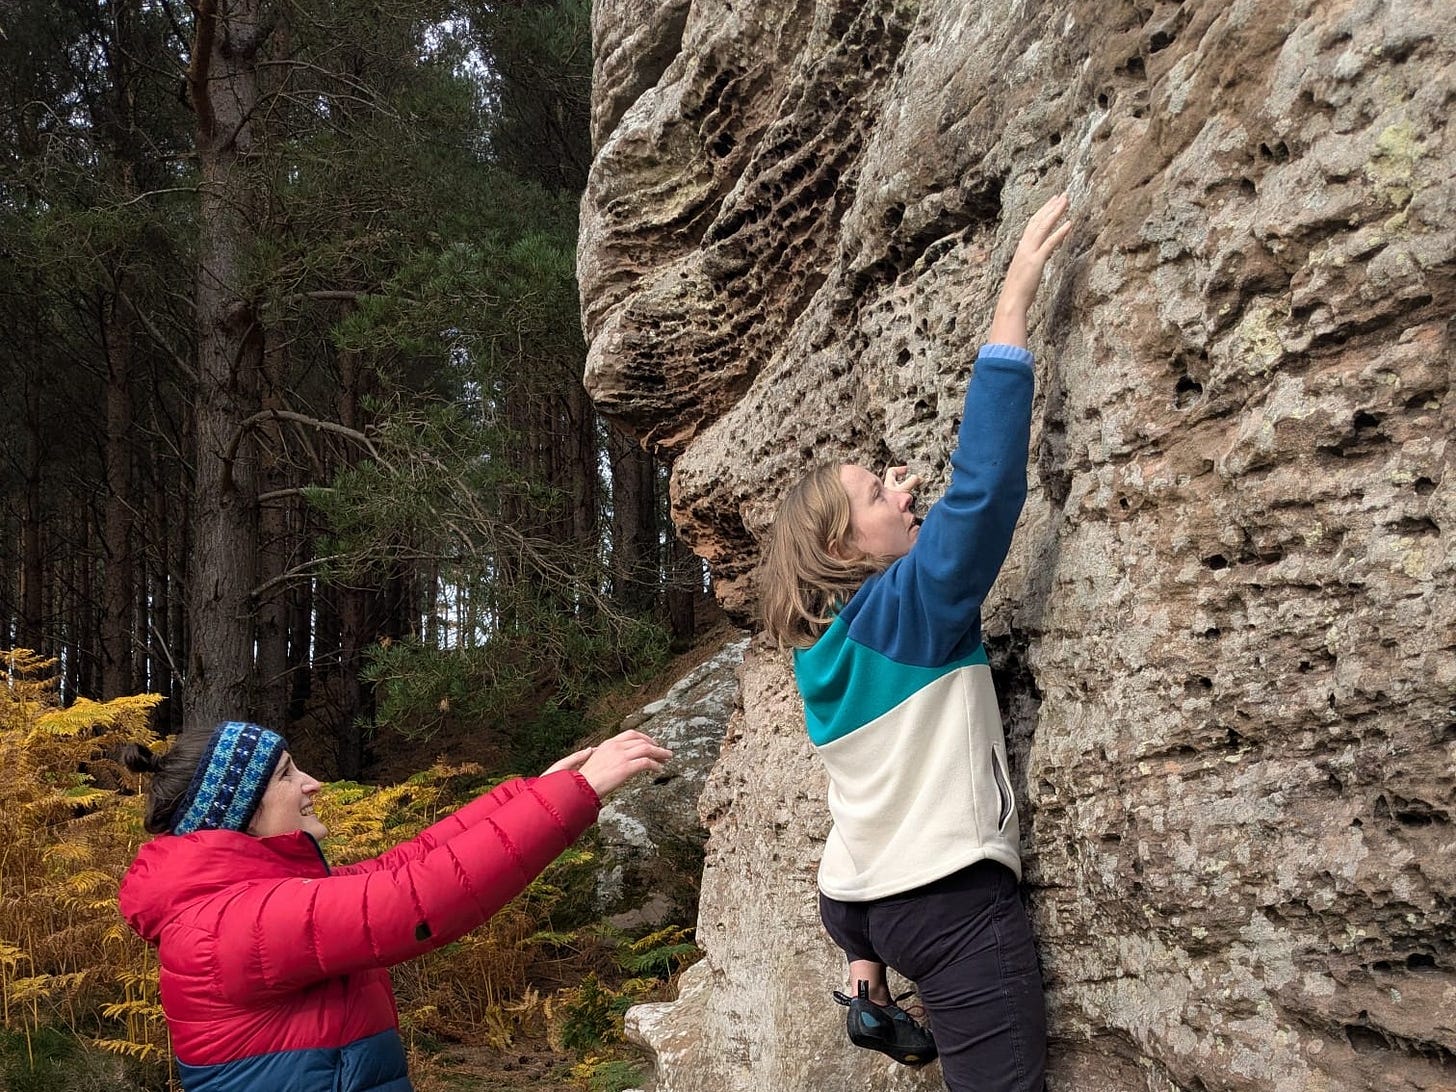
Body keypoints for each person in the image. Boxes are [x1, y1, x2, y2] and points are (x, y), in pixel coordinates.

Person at [757, 193, 1072, 1090]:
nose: (902, 489)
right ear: (839, 546)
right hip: (955, 911)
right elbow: (981, 494)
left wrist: (860, 952)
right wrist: (1010, 310)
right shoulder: (912, 611)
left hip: (874, 914)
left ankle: (868, 992)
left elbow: (855, 818)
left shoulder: (820, 656)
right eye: (876, 493)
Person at [118, 719, 672, 1092]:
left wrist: (534, 793)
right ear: (241, 811)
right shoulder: (228, 924)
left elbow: (403, 867)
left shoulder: (246, 901)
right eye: (286, 774)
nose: (311, 783)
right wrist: (575, 797)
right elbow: (413, 899)